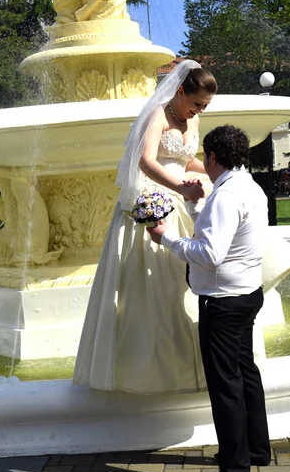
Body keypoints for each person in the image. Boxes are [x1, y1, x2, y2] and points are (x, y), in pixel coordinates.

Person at [73, 59, 217, 393]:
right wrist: (180, 187)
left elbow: (184, 158)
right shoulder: (157, 115)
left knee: (189, 280)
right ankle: (148, 371)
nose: (199, 111)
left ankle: (193, 362)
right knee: (156, 286)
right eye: (196, 103)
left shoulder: (192, 119)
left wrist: (214, 171)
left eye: (205, 106)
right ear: (179, 91)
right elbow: (146, 161)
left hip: (183, 198)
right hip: (153, 202)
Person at [148, 125, 271, 472]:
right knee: (245, 372)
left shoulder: (226, 196)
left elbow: (210, 253)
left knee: (226, 386)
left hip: (223, 302)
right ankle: (255, 450)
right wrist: (193, 204)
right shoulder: (248, 187)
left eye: (204, 157)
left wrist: (166, 238)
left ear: (213, 157)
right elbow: (222, 233)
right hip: (248, 293)